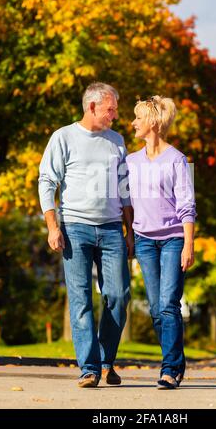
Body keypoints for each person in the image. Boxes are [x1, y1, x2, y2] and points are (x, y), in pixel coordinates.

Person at [38, 82, 133, 388]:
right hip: (74, 228)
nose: (115, 115)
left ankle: (107, 361)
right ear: (92, 106)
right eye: (111, 109)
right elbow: (46, 182)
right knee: (81, 299)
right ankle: (89, 368)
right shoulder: (63, 137)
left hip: (111, 228)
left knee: (118, 295)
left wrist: (129, 231)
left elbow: (125, 191)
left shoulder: (117, 141)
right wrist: (53, 226)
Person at [126, 95, 197, 389]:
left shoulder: (177, 160)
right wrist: (129, 236)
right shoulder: (130, 161)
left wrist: (189, 244)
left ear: (153, 122)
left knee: (168, 304)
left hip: (172, 240)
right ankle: (177, 362)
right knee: (156, 309)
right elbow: (124, 202)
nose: (133, 123)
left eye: (138, 118)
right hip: (143, 240)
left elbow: (187, 205)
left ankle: (169, 368)